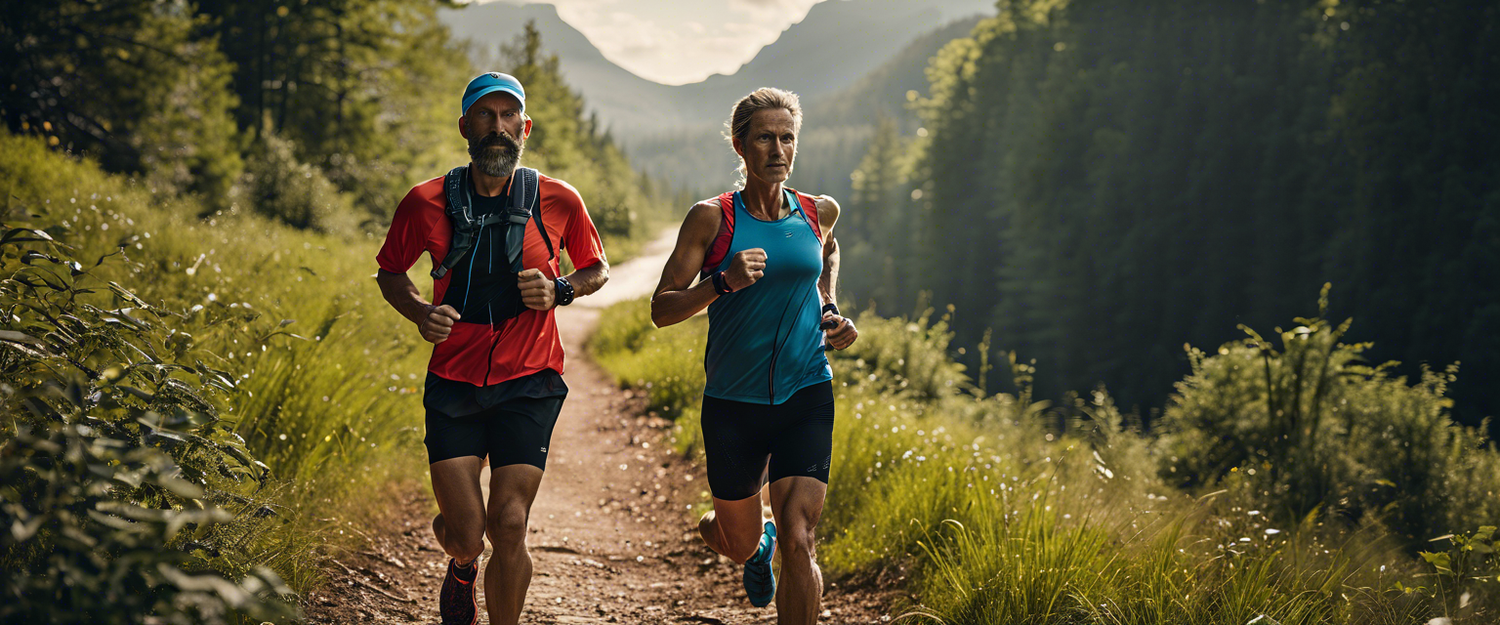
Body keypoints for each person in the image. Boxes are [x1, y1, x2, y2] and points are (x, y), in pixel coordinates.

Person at [375, 72, 609, 625]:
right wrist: (421, 312)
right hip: (453, 382)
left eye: (509, 117)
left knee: (507, 524)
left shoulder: (558, 199)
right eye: (486, 115)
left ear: (525, 128)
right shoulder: (424, 201)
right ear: (465, 126)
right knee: (465, 534)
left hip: (530, 380)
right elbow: (390, 273)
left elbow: (596, 268)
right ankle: (461, 566)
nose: (498, 127)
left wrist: (562, 290)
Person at [649, 87, 857, 624]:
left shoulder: (817, 211)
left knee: (800, 537)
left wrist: (830, 308)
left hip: (806, 391)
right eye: (765, 137)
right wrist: (722, 282)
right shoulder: (710, 219)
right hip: (733, 405)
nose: (779, 149)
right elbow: (663, 309)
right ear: (740, 146)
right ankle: (751, 541)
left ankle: (778, 541)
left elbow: (827, 251)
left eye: (788, 138)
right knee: (739, 544)